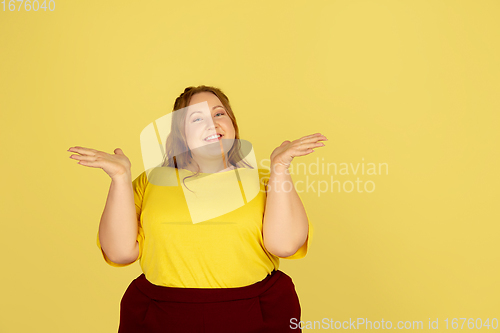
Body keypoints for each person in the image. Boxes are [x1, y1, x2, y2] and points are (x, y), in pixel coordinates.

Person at [67, 85, 327, 332]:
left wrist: (280, 167)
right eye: (197, 119)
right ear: (181, 135)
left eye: (219, 113)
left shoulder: (265, 180)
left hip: (254, 315)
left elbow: (285, 246)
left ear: (232, 124)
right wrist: (120, 178)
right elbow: (119, 253)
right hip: (161, 317)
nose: (212, 123)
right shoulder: (151, 181)